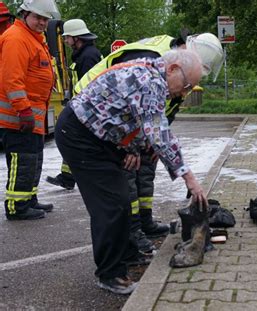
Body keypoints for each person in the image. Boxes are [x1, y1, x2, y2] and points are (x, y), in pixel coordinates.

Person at [54, 48, 209, 294]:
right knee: (111, 205)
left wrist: (134, 149)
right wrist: (189, 178)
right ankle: (110, 274)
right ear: (173, 69)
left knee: (123, 200)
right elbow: (159, 134)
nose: (185, 92)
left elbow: (132, 116)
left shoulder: (152, 75)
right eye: (187, 85)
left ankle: (127, 255)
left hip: (100, 137)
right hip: (81, 137)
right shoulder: (150, 81)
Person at [70, 32, 224, 255]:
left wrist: (148, 143)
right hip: (93, 114)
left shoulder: (176, 72)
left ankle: (144, 223)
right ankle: (132, 237)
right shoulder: (153, 61)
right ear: (184, 58)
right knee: (125, 183)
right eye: (187, 85)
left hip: (127, 124)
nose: (185, 92)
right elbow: (125, 99)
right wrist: (130, 145)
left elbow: (162, 116)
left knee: (143, 172)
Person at [0, 0, 59, 221]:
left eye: (45, 19)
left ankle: (29, 199)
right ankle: (17, 207)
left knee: (32, 160)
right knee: (23, 160)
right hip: (17, 118)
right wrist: (23, 110)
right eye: (38, 18)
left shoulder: (33, 39)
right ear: (25, 14)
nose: (42, 22)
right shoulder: (16, 38)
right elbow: (12, 80)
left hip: (31, 116)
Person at [46, 18, 101, 190]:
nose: (66, 41)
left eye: (67, 38)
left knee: (75, 140)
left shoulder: (88, 56)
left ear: (77, 38)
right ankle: (68, 177)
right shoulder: (86, 54)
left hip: (85, 108)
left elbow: (90, 84)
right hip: (82, 106)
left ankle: (71, 177)